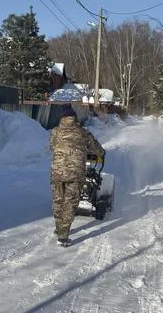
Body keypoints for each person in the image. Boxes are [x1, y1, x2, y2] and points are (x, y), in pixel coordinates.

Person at [50, 104, 105, 247]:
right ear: (74, 118)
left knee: (58, 200)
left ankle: (58, 227)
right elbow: (95, 147)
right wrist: (101, 152)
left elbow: (52, 146)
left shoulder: (55, 132)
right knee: (70, 202)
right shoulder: (82, 132)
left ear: (62, 118)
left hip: (57, 172)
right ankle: (63, 236)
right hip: (75, 173)